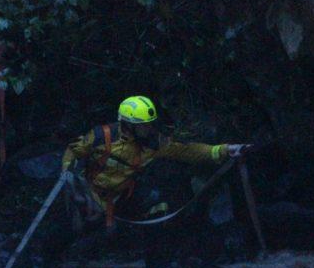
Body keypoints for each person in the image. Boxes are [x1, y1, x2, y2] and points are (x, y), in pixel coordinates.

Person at [61, 95, 250, 230]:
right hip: (89, 197)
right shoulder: (102, 136)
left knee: (159, 204)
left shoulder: (155, 143)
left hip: (121, 199)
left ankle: (156, 265)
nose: (149, 128)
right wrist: (68, 175)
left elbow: (188, 151)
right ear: (128, 125)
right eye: (144, 125)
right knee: (68, 228)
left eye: (149, 123)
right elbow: (73, 151)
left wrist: (226, 149)